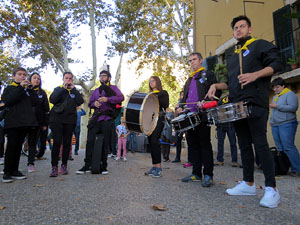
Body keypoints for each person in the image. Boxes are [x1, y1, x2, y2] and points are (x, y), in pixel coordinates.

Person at [206, 15, 282, 208]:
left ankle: (272, 189)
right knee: (244, 145)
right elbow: (232, 84)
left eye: (242, 26)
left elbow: (276, 65)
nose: (238, 30)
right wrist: (216, 84)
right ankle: (248, 183)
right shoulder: (232, 57)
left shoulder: (260, 45)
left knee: (260, 144)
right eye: (235, 28)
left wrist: (255, 74)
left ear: (250, 29)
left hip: (256, 103)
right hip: (237, 106)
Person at [177, 52, 220, 187]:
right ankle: (196, 173)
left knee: (205, 145)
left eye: (194, 59)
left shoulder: (208, 75)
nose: (192, 62)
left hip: (203, 115)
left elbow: (216, 93)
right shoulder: (189, 80)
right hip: (190, 117)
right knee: (193, 146)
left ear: (201, 60)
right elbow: (185, 98)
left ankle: (208, 175)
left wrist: (205, 102)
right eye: (190, 61)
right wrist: (180, 107)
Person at [76, 70, 124, 175]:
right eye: (101, 76)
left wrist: (108, 99)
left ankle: (103, 166)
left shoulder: (114, 88)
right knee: (90, 142)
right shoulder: (96, 90)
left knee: (105, 143)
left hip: (107, 119)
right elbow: (90, 104)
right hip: (96, 118)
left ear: (109, 78)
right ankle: (87, 165)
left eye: (104, 76)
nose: (102, 77)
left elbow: (121, 98)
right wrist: (95, 104)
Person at [1, 67, 39, 183]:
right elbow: (8, 101)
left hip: (24, 123)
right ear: (14, 76)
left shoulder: (27, 90)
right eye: (20, 74)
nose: (23, 76)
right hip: (12, 123)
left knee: (18, 148)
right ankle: (7, 172)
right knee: (11, 147)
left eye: (24, 75)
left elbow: (35, 102)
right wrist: (21, 88)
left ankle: (15, 170)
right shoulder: (9, 88)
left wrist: (31, 89)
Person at [49, 72, 84, 177]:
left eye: (70, 78)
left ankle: (64, 165)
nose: (68, 80)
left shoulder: (74, 91)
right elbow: (52, 100)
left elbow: (80, 101)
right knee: (57, 142)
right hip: (57, 119)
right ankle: (54, 166)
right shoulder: (58, 89)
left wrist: (73, 89)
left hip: (70, 120)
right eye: (66, 78)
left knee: (67, 143)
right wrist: (63, 89)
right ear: (63, 79)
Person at [270, 78, 300, 176]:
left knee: (288, 147)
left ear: (283, 86)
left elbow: (293, 107)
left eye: (277, 87)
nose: (275, 89)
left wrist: (277, 106)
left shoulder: (290, 94)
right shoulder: (275, 97)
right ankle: (284, 168)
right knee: (280, 148)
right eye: (274, 88)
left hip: (287, 124)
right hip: (275, 124)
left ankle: (297, 169)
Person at [145, 76, 169, 178]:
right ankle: (154, 166)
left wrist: (154, 96)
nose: (151, 82)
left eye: (153, 81)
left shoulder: (163, 93)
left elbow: (165, 104)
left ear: (157, 82)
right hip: (149, 120)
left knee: (154, 140)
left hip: (159, 118)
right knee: (151, 142)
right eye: (150, 81)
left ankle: (158, 168)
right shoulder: (148, 94)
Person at [27, 72, 50, 172]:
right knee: (31, 142)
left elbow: (46, 109)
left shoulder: (42, 93)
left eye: (38, 79)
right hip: (26, 121)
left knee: (39, 142)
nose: (37, 80)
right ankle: (29, 162)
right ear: (30, 79)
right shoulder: (25, 91)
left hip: (39, 122)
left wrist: (45, 123)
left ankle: (35, 158)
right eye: (35, 78)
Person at [172, 91, 184, 163]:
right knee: (178, 140)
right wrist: (176, 109)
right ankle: (177, 157)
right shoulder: (178, 103)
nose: (183, 96)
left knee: (190, 141)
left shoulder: (187, 101)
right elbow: (175, 116)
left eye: (184, 95)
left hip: (186, 123)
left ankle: (190, 160)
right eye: (182, 95)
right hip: (179, 124)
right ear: (180, 96)